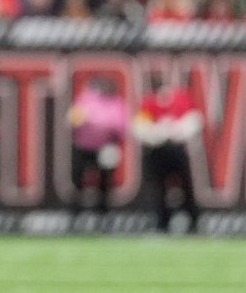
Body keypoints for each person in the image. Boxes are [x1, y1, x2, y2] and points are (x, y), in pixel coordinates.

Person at [133, 73, 201, 233]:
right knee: (159, 189)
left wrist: (175, 130)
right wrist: (159, 132)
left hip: (176, 150)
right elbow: (140, 128)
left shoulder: (181, 99)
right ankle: (162, 223)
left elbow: (193, 122)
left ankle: (193, 223)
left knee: (186, 187)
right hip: (157, 151)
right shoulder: (149, 103)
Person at [67, 75, 128, 223]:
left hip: (106, 146)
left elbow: (121, 127)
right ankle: (76, 214)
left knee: (105, 181)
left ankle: (104, 214)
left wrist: (99, 123)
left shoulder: (116, 103)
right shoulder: (85, 99)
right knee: (78, 179)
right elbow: (73, 119)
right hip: (84, 146)